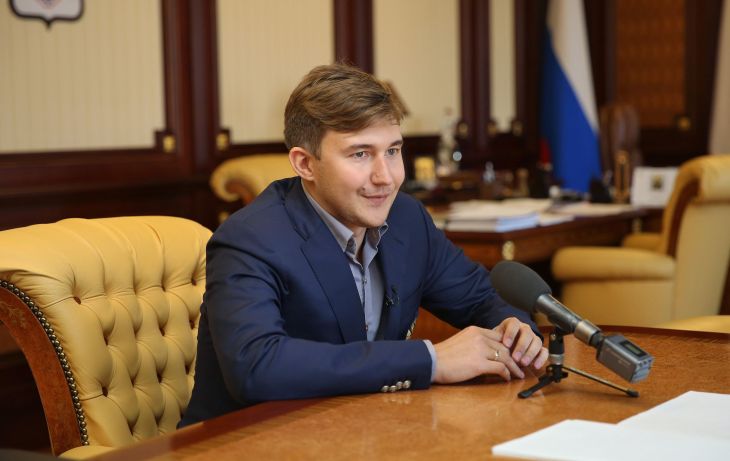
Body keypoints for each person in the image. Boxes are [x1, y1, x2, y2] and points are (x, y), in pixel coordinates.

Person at [180, 63, 547, 426]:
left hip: (362, 432)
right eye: (360, 154)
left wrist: (513, 328)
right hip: (244, 440)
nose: (386, 177)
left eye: (393, 151)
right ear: (305, 164)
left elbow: (480, 299)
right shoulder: (250, 238)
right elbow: (257, 366)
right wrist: (430, 360)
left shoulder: (407, 218)